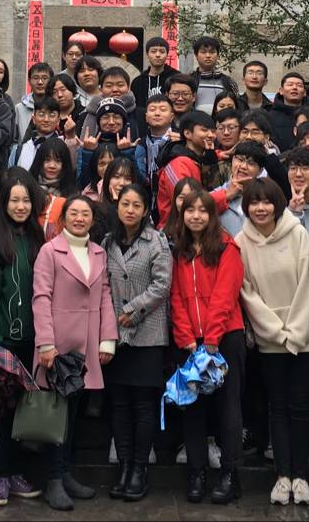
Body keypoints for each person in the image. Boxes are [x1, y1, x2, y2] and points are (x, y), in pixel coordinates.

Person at [235, 179, 309, 507]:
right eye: (254, 203)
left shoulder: (298, 233)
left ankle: (300, 476)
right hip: (270, 339)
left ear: (277, 204)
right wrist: (275, 331)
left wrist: (295, 332)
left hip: (305, 338)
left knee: (300, 408)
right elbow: (246, 292)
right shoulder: (241, 242)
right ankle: (282, 475)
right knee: (277, 407)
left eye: (266, 202)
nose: (261, 208)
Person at [32, 195, 119, 511]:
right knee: (57, 415)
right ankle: (53, 479)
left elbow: (105, 294)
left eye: (85, 214)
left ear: (93, 220)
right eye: (74, 213)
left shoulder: (98, 252)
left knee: (72, 415)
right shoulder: (49, 251)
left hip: (87, 346)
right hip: (58, 346)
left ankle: (64, 473)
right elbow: (41, 297)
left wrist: (107, 338)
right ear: (63, 217)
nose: (80, 218)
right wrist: (45, 343)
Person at [169, 187, 245, 505]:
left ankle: (230, 473)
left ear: (212, 215)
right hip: (190, 343)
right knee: (193, 409)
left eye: (203, 210)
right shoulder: (179, 251)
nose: (196, 216)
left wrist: (212, 339)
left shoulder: (227, 247)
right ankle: (196, 472)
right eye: (190, 210)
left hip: (225, 338)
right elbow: (175, 296)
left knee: (228, 409)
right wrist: (185, 336)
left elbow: (225, 296)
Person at [0, 170, 47, 507]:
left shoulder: (38, 241)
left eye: (25, 200)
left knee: (25, 414)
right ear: (4, 203)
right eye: (14, 200)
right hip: (4, 343)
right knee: (1, 414)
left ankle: (18, 472)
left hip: (34, 342)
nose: (20, 206)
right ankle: (0, 476)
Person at [102, 183, 172, 503]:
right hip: (115, 335)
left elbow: (162, 285)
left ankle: (140, 469)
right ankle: (125, 466)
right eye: (125, 204)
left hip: (147, 335)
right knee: (119, 405)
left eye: (136, 205)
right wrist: (112, 319)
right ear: (117, 207)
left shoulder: (156, 241)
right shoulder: (107, 242)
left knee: (144, 407)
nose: (130, 210)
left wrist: (133, 310)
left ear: (145, 210)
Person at [155, 111, 217, 227]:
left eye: (213, 131)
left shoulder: (200, 160)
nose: (210, 135)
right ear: (187, 133)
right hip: (174, 230)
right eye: (204, 130)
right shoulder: (179, 163)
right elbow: (186, 203)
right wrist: (227, 194)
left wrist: (210, 160)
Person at [132, 37, 177, 129]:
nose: (158, 55)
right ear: (147, 54)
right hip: (142, 127)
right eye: (153, 51)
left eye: (162, 51)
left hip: (169, 126)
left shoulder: (175, 78)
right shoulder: (138, 81)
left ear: (167, 54)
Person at [188, 36, 239, 113]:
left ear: (218, 56)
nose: (208, 56)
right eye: (203, 52)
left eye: (212, 52)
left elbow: (237, 106)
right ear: (196, 55)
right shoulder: (188, 81)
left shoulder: (229, 82)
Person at [135, 93, 175, 190]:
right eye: (152, 110)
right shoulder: (141, 143)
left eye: (163, 110)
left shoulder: (177, 141)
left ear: (172, 116)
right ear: (146, 117)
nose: (157, 113)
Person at [15, 62, 55, 144]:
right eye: (35, 78)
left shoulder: (56, 106)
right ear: (29, 81)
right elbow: (14, 139)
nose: (40, 82)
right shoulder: (19, 108)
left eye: (44, 78)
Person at [266, 72, 309, 149]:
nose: (294, 87)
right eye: (290, 84)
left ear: (304, 92)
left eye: (299, 85)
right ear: (281, 90)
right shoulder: (269, 117)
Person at [29, 137, 77, 201]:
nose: (52, 166)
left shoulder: (73, 196)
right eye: (47, 160)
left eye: (58, 161)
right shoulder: (28, 188)